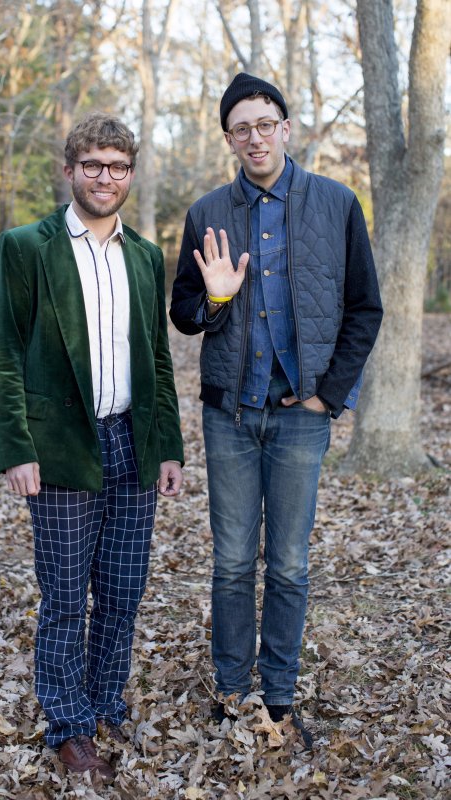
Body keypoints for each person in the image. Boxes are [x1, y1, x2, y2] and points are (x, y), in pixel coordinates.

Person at [170, 73, 383, 748]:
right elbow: (183, 312)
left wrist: (330, 393)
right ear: (229, 139)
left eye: (266, 124)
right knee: (232, 562)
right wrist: (218, 298)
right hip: (229, 414)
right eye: (241, 128)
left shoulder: (336, 202)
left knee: (288, 563)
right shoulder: (207, 212)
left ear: (285, 129)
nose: (255, 137)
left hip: (300, 414)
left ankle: (280, 698)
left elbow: (363, 308)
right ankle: (232, 691)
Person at [0, 111, 184, 784]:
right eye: (93, 165)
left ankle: (105, 701)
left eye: (119, 166)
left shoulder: (146, 256)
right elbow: (5, 352)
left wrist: (169, 447)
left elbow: (156, 358)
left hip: (132, 440)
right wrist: (17, 447)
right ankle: (70, 725)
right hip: (62, 445)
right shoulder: (26, 247)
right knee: (68, 599)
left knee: (123, 592)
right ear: (69, 171)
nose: (107, 178)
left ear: (131, 174)